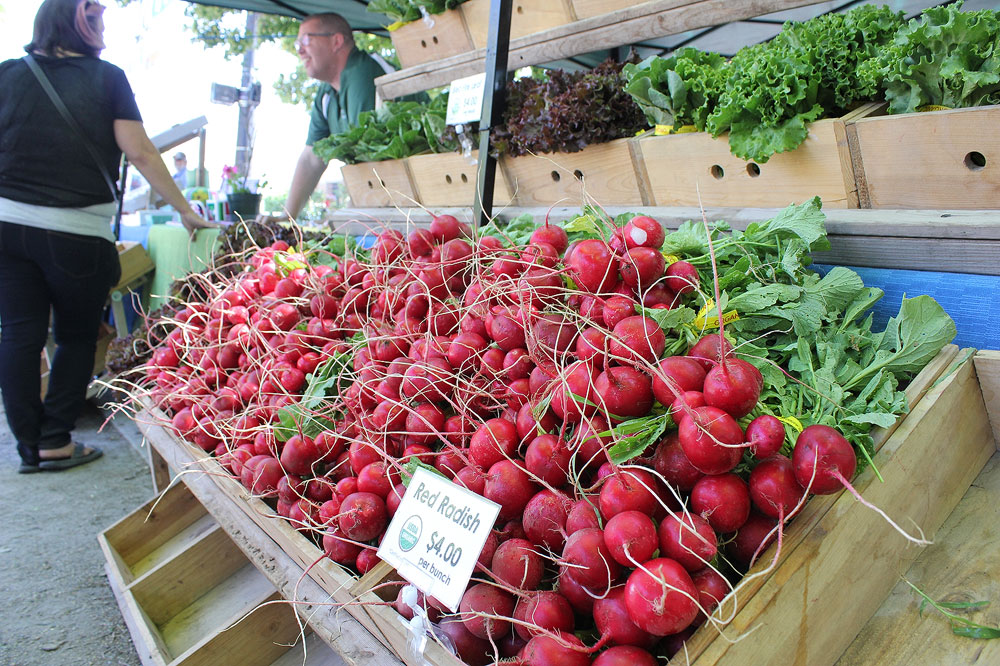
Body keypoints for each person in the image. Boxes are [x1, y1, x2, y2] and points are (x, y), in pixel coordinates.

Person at [0, 0, 214, 474]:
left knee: (18, 332)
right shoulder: (106, 78)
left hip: (7, 228)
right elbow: (137, 151)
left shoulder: (8, 74)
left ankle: (29, 445)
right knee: (77, 337)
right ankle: (54, 440)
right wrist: (184, 209)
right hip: (76, 233)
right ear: (82, 25)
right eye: (97, 19)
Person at [261, 12, 391, 222]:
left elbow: (371, 158)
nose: (300, 50)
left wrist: (348, 218)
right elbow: (312, 158)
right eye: (297, 44)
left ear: (336, 41)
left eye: (306, 40)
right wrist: (287, 217)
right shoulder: (326, 94)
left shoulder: (363, 73)